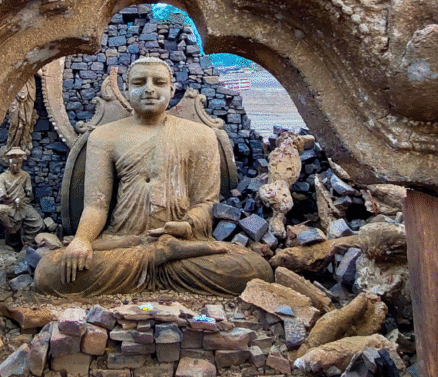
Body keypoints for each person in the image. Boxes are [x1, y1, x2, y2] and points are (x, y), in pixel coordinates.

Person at [34, 56, 272, 296]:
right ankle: (159, 255)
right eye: (139, 82)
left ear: (172, 89)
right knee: (49, 271)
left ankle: (160, 257)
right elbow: (96, 206)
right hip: (124, 241)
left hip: (183, 243)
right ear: (126, 89)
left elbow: (206, 203)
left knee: (255, 269)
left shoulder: (202, 135)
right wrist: (82, 240)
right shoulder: (104, 137)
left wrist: (187, 225)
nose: (149, 89)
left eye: (158, 82)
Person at [0, 146, 44, 245]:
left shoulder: (25, 175)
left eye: (18, 164)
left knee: (39, 224)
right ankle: (12, 230)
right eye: (13, 164)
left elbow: (29, 193)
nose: (16, 167)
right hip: (10, 206)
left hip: (23, 206)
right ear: (9, 163)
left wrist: (28, 193)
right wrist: (3, 195)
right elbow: (0, 191)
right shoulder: (2, 177)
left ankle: (27, 242)